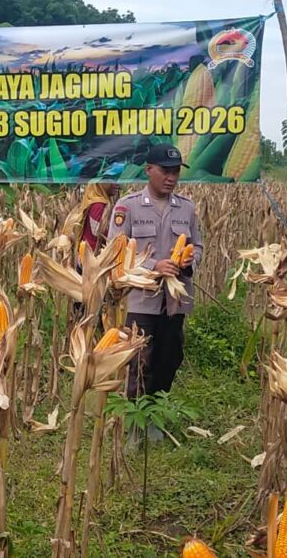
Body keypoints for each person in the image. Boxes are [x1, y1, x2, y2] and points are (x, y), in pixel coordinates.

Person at [109, 143, 202, 408]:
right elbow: (116, 251)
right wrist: (153, 266)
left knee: (170, 357)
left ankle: (156, 413)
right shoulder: (128, 207)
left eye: (176, 172)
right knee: (138, 359)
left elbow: (199, 246)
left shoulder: (186, 208)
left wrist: (187, 260)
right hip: (140, 299)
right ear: (149, 170)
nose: (171, 177)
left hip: (175, 299)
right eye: (165, 171)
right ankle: (134, 418)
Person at [60, 180, 120, 252]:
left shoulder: (94, 202)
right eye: (112, 181)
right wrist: (117, 238)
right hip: (93, 252)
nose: (117, 184)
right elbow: (97, 231)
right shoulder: (98, 205)